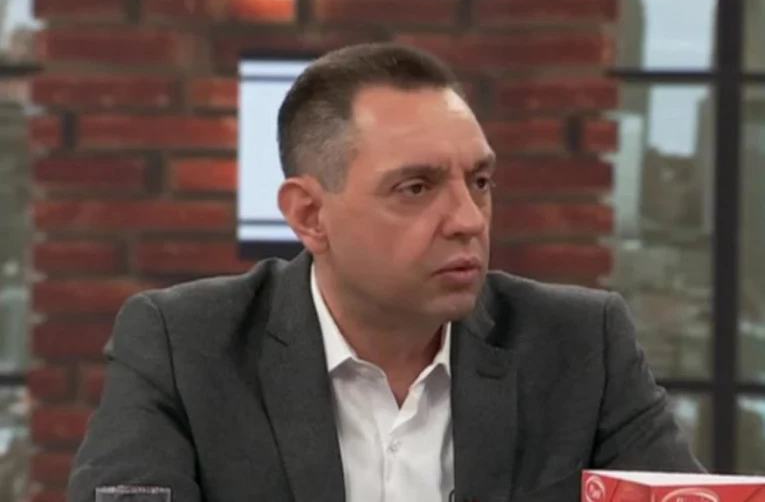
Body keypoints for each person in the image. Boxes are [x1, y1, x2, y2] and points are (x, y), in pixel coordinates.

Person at [67, 42, 704, 502]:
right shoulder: (184, 346)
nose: (468, 220)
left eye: (479, 182)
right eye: (416, 188)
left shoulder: (582, 344)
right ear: (309, 215)